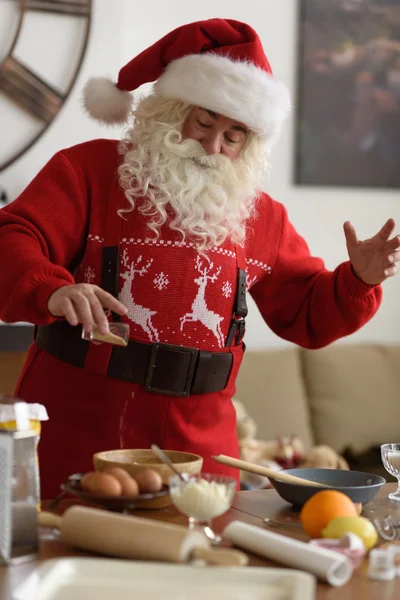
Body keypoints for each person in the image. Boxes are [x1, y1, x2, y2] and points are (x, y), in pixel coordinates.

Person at [0, 19, 398, 499]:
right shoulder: (87, 169)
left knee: (199, 567)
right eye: (204, 121)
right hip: (83, 432)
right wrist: (53, 288)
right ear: (170, 110)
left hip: (203, 450)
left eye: (233, 136)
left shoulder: (261, 216)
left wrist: (357, 278)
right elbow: (13, 236)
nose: (213, 147)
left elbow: (307, 312)